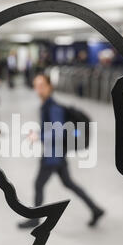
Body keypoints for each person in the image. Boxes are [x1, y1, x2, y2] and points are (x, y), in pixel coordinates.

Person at [18, 74, 105, 229]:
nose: (39, 89)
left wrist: (38, 135)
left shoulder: (53, 107)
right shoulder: (47, 105)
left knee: (38, 184)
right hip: (57, 153)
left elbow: (58, 132)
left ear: (50, 87)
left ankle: (35, 219)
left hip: (54, 154)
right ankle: (95, 209)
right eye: (36, 85)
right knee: (69, 183)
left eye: (42, 85)